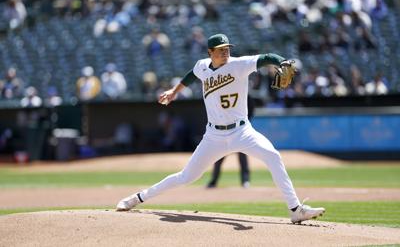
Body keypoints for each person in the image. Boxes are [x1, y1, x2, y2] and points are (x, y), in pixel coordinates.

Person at [116, 33, 325, 224]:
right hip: (213, 136)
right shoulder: (202, 66)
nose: (226, 51)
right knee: (186, 177)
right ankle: (138, 198)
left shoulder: (239, 64)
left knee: (273, 156)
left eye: (227, 48)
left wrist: (282, 61)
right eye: (221, 49)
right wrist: (174, 91)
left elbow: (267, 57)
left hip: (242, 132)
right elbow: (192, 75)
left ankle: (295, 209)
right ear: (210, 52)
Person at [207, 95, 254, 189]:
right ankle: (213, 181)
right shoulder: (223, 92)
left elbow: (251, 108)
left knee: (242, 155)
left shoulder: (244, 93)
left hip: (240, 130)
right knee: (219, 156)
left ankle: (245, 180)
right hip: (225, 131)